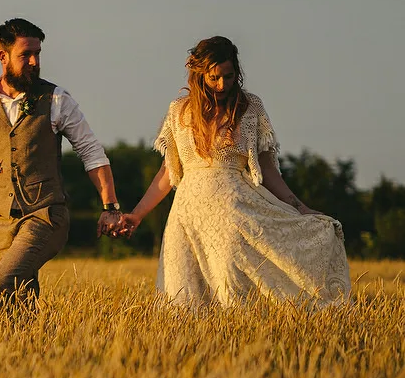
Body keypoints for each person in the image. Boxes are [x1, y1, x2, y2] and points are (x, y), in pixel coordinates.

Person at [113, 36, 350, 307]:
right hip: (186, 216)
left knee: (231, 291)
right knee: (182, 297)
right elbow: (169, 172)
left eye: (228, 76)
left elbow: (267, 170)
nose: (222, 84)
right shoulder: (179, 111)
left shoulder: (251, 108)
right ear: (199, 73)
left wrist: (299, 207)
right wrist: (138, 214)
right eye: (214, 77)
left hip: (232, 213)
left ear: (237, 72)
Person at [0, 17, 124, 300]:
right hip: (1, 223)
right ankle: (34, 344)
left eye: (37, 54)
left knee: (1, 283)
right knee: (15, 302)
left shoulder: (57, 100)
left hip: (46, 216)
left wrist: (110, 206)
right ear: (3, 57)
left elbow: (92, 152)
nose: (33, 62)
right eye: (25, 54)